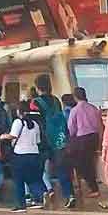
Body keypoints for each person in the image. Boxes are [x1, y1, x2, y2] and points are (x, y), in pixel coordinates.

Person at [31, 75, 73, 207]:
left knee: (38, 169)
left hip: (43, 140)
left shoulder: (35, 102)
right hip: (58, 139)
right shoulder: (56, 100)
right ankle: (69, 195)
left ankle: (42, 194)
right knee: (62, 169)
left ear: (38, 87)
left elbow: (34, 123)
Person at [0, 101, 46, 213]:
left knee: (19, 180)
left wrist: (3, 136)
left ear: (18, 111)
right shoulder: (35, 124)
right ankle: (40, 197)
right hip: (34, 154)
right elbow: (38, 141)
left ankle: (21, 205)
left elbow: (13, 136)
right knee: (32, 179)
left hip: (20, 155)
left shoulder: (18, 122)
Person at [66, 87, 102, 199]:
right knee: (90, 161)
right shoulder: (93, 108)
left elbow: (71, 128)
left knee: (83, 164)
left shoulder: (75, 110)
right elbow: (99, 124)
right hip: (94, 137)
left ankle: (93, 187)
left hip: (82, 139)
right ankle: (93, 184)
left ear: (75, 97)